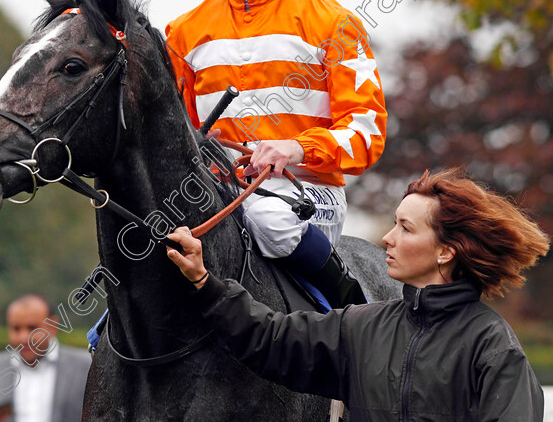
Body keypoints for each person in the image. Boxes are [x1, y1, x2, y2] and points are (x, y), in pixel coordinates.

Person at [165, 0, 388, 307]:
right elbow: (179, 135)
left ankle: (351, 308)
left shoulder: (333, 22)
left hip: (308, 191)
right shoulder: (182, 34)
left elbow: (368, 135)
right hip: (217, 191)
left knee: (265, 215)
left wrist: (295, 149)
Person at [165, 169, 550, 421]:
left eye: (406, 228)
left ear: (446, 251)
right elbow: (269, 339)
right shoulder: (361, 325)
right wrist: (204, 279)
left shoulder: (492, 345)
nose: (388, 237)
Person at [0, 294, 91, 422]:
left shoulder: (85, 366)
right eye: (16, 328)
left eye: (32, 328)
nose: (23, 337)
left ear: (52, 326)